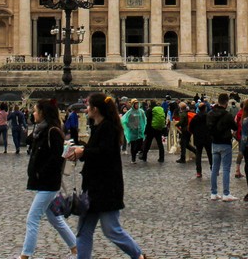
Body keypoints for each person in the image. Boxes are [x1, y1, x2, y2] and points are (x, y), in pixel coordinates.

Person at [69, 93, 150, 259]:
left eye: (88, 105)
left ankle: (139, 256)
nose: (86, 108)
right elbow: (96, 152)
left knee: (111, 230)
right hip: (93, 188)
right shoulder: (99, 126)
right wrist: (80, 152)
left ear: (96, 109)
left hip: (106, 189)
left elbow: (104, 153)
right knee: (84, 231)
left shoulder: (108, 128)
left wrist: (82, 151)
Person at [16, 99, 78, 259]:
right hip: (45, 182)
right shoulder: (41, 130)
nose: (33, 113)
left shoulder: (53, 131)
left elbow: (57, 158)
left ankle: (25, 255)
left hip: (49, 183)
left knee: (32, 218)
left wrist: (40, 173)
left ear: (43, 113)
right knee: (55, 219)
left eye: (35, 111)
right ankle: (76, 248)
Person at [206, 93, 237, 201]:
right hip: (225, 143)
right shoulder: (227, 115)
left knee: (214, 168)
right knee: (226, 169)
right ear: (227, 102)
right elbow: (235, 126)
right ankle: (226, 194)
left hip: (214, 143)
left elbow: (208, 128)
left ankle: (213, 193)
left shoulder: (210, 113)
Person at [189, 101, 209, 179]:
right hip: (207, 138)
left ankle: (198, 172)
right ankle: (212, 169)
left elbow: (190, 128)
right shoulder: (208, 116)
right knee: (209, 154)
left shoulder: (195, 117)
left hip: (198, 138)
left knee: (198, 155)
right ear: (205, 108)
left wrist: (195, 133)